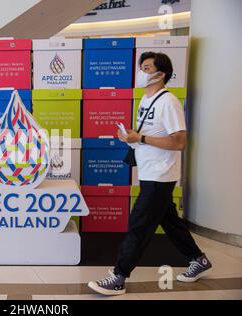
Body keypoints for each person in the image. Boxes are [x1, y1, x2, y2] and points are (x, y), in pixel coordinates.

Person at [88, 52, 212, 296]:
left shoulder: (168, 102)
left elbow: (179, 142)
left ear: (160, 73)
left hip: (160, 175)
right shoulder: (145, 100)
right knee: (170, 222)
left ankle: (118, 277)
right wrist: (132, 137)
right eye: (141, 67)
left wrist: (141, 138)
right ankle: (199, 260)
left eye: (145, 67)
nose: (140, 72)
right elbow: (152, 135)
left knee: (139, 225)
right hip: (149, 172)